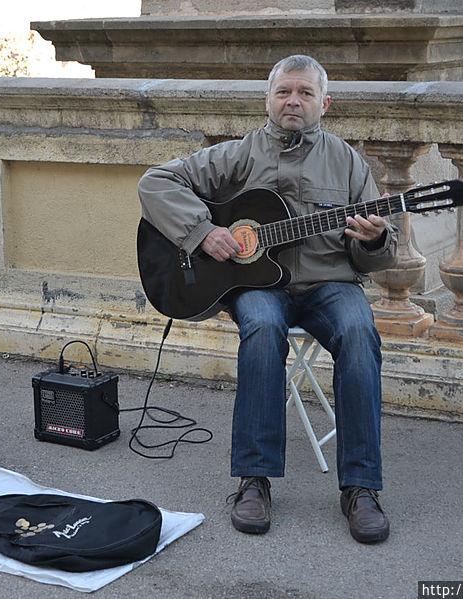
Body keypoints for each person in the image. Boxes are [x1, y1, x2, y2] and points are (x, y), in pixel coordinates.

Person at [137, 55, 397, 543]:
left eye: (304, 93)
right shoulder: (238, 155)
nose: (293, 101)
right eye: (284, 92)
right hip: (258, 287)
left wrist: (374, 240)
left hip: (330, 285)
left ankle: (360, 488)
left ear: (324, 102)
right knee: (261, 328)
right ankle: (253, 481)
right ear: (268, 99)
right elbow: (155, 182)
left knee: (361, 332)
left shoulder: (347, 162)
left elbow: (377, 258)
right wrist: (202, 232)